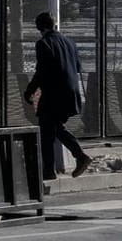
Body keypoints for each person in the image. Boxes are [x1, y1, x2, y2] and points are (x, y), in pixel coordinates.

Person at [23, 11, 91, 179]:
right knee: (53, 128)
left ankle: (64, 163)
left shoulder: (43, 43)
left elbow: (41, 71)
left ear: (40, 27)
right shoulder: (69, 42)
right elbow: (77, 67)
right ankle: (65, 163)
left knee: (48, 130)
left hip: (54, 94)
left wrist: (30, 91)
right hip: (71, 93)